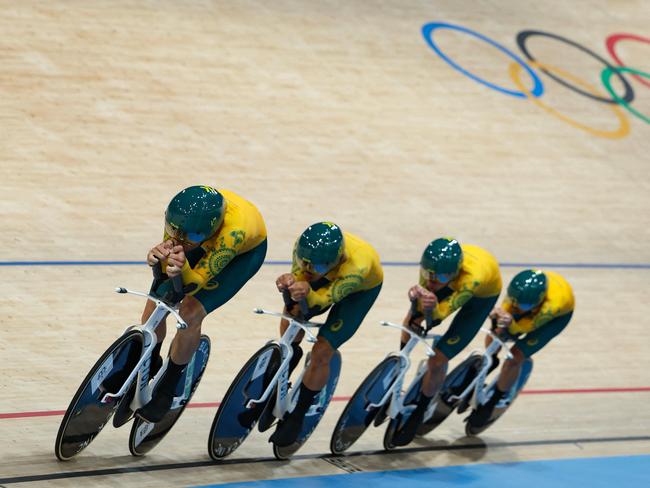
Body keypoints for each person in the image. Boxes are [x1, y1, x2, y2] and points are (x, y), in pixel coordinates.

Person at [137, 185, 267, 423]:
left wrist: (181, 266)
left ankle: (169, 387)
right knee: (156, 303)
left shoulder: (232, 233)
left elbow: (194, 283)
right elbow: (169, 268)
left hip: (242, 256)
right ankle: (151, 359)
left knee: (190, 312)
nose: (181, 241)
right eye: (174, 231)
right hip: (204, 233)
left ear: (210, 230)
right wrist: (158, 260)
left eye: (192, 237)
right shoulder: (181, 221)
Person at [269, 222, 383, 446]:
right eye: (305, 263)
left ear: (336, 261)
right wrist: (291, 282)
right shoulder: (304, 249)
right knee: (293, 311)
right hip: (327, 273)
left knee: (322, 350)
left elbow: (322, 300)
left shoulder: (356, 267)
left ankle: (298, 416)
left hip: (358, 292)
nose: (308, 269)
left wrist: (307, 291)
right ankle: (287, 362)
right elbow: (303, 277)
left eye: (315, 267)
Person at [392, 237, 502, 446]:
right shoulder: (434, 270)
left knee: (438, 359)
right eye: (427, 274)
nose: (431, 280)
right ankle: (399, 366)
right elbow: (420, 312)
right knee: (414, 316)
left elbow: (438, 317)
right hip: (459, 272)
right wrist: (417, 300)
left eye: (439, 276)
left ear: (454, 272)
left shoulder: (471, 279)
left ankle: (420, 413)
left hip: (482, 294)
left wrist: (431, 307)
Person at [467, 269, 574, 427]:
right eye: (513, 300)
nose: (516, 306)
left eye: (522, 305)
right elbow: (508, 313)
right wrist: (497, 321)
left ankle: (495, 400)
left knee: (515, 357)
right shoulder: (519, 295)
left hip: (555, 318)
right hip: (532, 300)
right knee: (497, 331)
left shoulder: (551, 307)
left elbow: (523, 329)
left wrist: (511, 325)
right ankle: (492, 362)